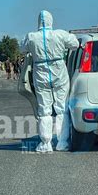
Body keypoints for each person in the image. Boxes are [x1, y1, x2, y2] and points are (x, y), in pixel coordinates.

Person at [21, 10, 79, 153]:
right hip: (59, 72)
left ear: (38, 22)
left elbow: (22, 48)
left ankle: (45, 143)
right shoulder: (60, 34)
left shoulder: (31, 37)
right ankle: (62, 142)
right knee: (62, 108)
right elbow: (75, 44)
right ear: (51, 20)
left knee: (44, 109)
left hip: (40, 73)